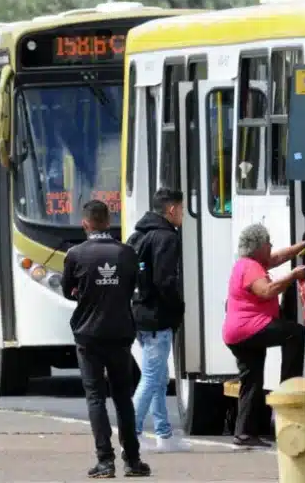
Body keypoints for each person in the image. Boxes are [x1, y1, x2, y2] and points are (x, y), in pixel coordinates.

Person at [62, 200, 151, 479]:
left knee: (96, 397)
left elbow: (68, 291)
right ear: (108, 221)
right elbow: (135, 287)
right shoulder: (126, 253)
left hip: (88, 335)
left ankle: (105, 461)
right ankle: (133, 460)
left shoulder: (75, 254)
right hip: (120, 333)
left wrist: (83, 292)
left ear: (85, 223)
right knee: (123, 397)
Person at [222, 223, 305, 450]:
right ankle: (288, 386)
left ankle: (244, 434)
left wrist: (303, 246)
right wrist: (293, 276)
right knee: (295, 334)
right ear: (258, 246)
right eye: (268, 243)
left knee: (251, 381)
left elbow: (278, 257)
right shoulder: (251, 267)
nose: (271, 247)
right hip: (249, 329)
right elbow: (266, 291)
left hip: (237, 333)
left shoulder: (250, 263)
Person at [128, 188, 188, 452]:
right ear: (172, 210)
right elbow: (166, 281)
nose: (183, 215)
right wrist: (178, 308)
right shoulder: (166, 238)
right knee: (152, 377)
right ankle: (131, 433)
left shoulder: (138, 235)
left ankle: (164, 434)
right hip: (158, 317)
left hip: (139, 313)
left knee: (160, 377)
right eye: (182, 209)